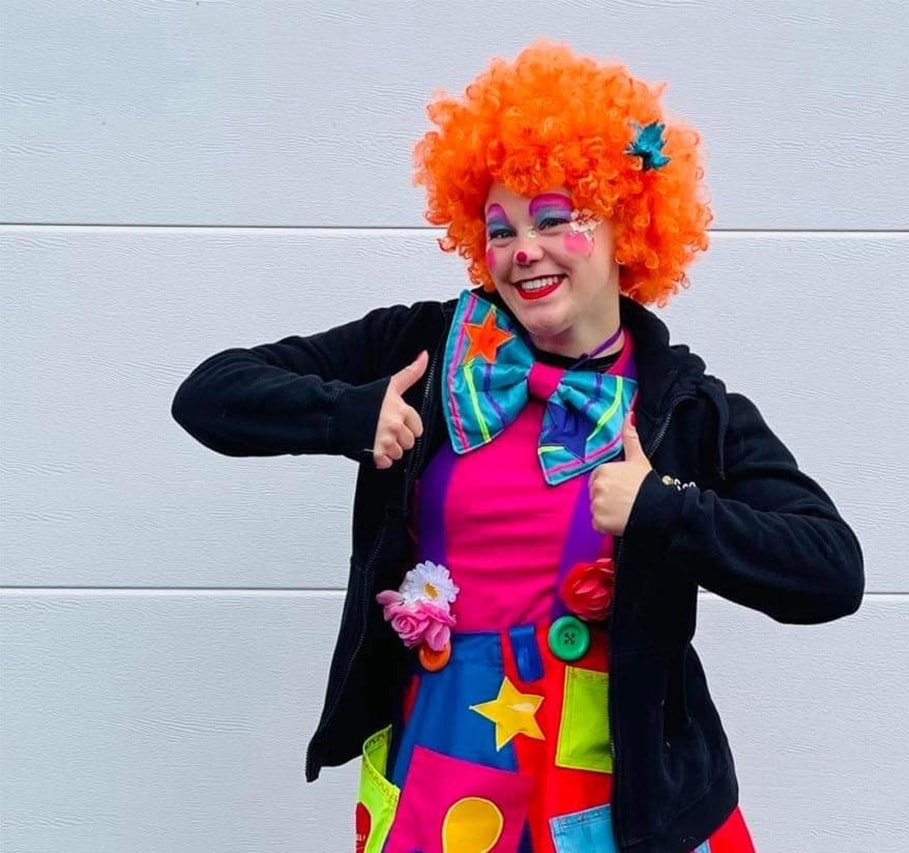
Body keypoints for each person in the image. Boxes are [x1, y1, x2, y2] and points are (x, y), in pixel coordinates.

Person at [172, 41, 864, 853]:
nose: (522, 249)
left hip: (620, 782)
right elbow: (210, 393)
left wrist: (665, 509)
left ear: (626, 225)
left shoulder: (685, 406)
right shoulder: (426, 348)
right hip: (450, 756)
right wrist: (348, 414)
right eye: (500, 229)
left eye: (555, 218)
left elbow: (830, 569)